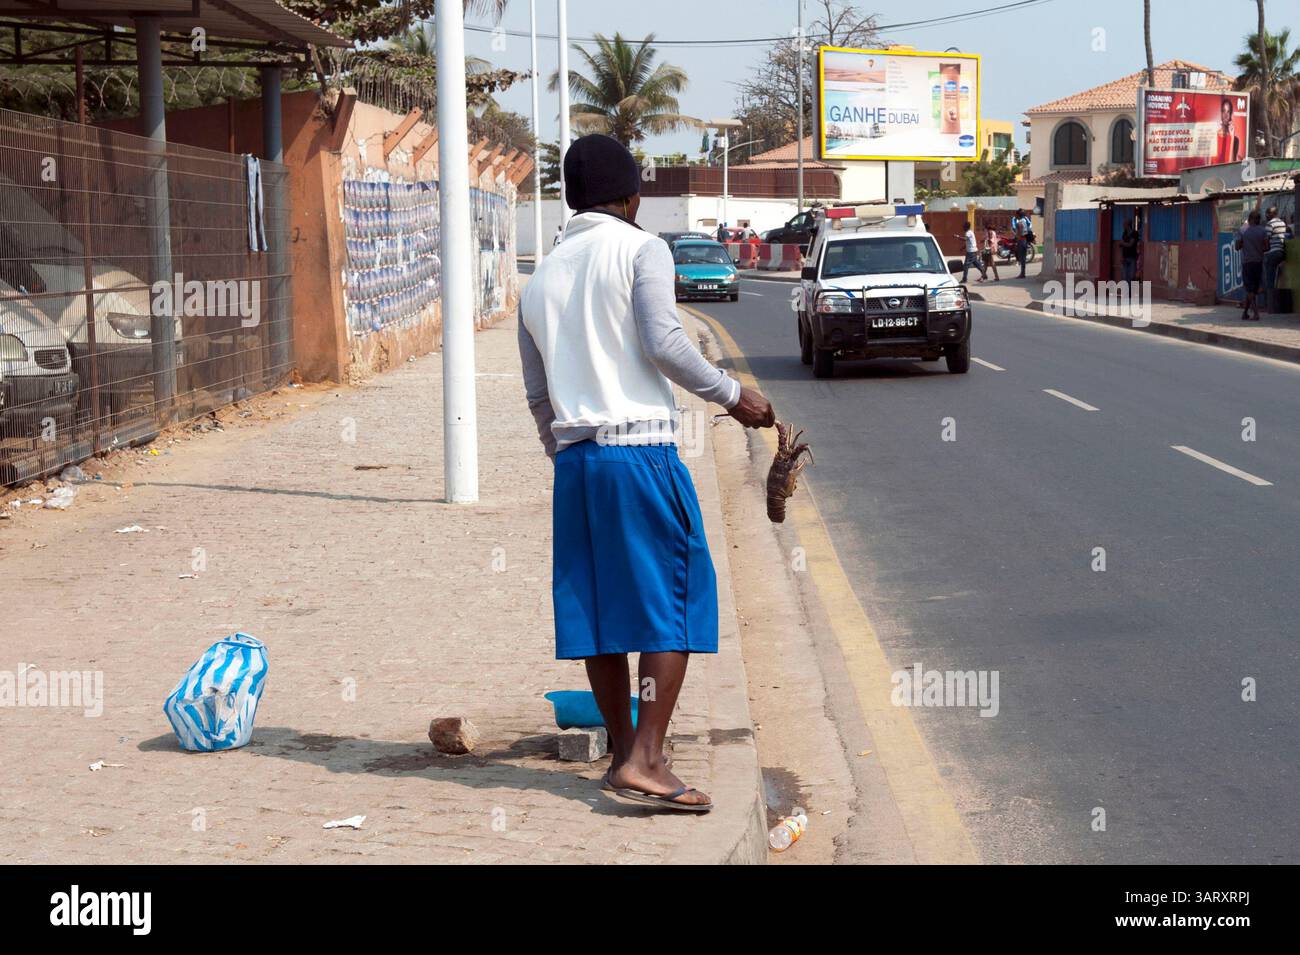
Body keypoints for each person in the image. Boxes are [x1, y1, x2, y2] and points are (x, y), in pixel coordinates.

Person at [518, 134, 775, 812]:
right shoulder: (641, 248)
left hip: (576, 463)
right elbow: (664, 341)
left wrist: (571, 456)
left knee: (600, 613)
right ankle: (649, 758)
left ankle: (625, 749)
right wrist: (732, 393)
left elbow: (538, 395)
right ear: (632, 198)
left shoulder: (540, 277)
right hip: (639, 451)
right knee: (675, 604)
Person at [1235, 209, 1269, 321]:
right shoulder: (1263, 231)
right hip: (1259, 262)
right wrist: (1258, 249)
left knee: (1250, 290)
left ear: (1250, 220)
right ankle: (1245, 313)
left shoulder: (1243, 230)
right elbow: (1267, 247)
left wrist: (1244, 243)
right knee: (1253, 290)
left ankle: (1256, 314)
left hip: (1248, 262)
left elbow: (1237, 247)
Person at [1263, 205, 1287, 297]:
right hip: (1281, 252)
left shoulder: (1270, 224)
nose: (1266, 215)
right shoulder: (1283, 223)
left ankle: (1271, 302)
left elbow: (1266, 240)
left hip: (1272, 253)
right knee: (1277, 278)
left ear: (1273, 214)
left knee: (1269, 278)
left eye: (1268, 213)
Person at [1011, 209, 1031, 278]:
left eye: (1016, 214)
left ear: (1018, 215)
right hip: (1025, 240)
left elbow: (1019, 234)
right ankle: (1023, 273)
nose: (1015, 215)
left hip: (1021, 241)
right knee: (1023, 258)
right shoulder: (1025, 221)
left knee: (1022, 257)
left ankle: (1022, 273)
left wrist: (1017, 243)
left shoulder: (1019, 223)